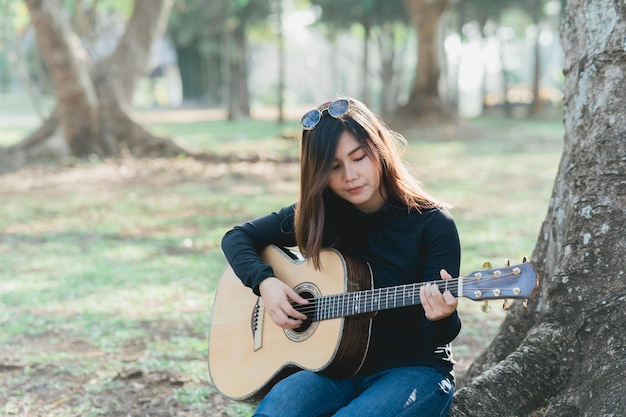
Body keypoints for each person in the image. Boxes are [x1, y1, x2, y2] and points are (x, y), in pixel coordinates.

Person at [221, 97, 462, 417]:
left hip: (413, 371)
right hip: (335, 367)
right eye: (334, 166)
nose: (350, 175)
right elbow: (237, 237)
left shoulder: (432, 224)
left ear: (379, 150)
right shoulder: (319, 215)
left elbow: (440, 335)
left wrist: (442, 315)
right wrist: (266, 283)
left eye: (358, 157)